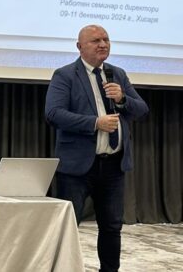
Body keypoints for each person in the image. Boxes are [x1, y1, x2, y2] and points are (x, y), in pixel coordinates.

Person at [45, 24, 148, 272]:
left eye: (106, 39)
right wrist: (94, 123)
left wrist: (122, 98)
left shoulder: (117, 74)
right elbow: (54, 113)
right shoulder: (65, 75)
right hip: (77, 167)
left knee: (112, 227)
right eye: (95, 41)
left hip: (113, 165)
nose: (103, 44)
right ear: (79, 47)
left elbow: (142, 109)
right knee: (68, 226)